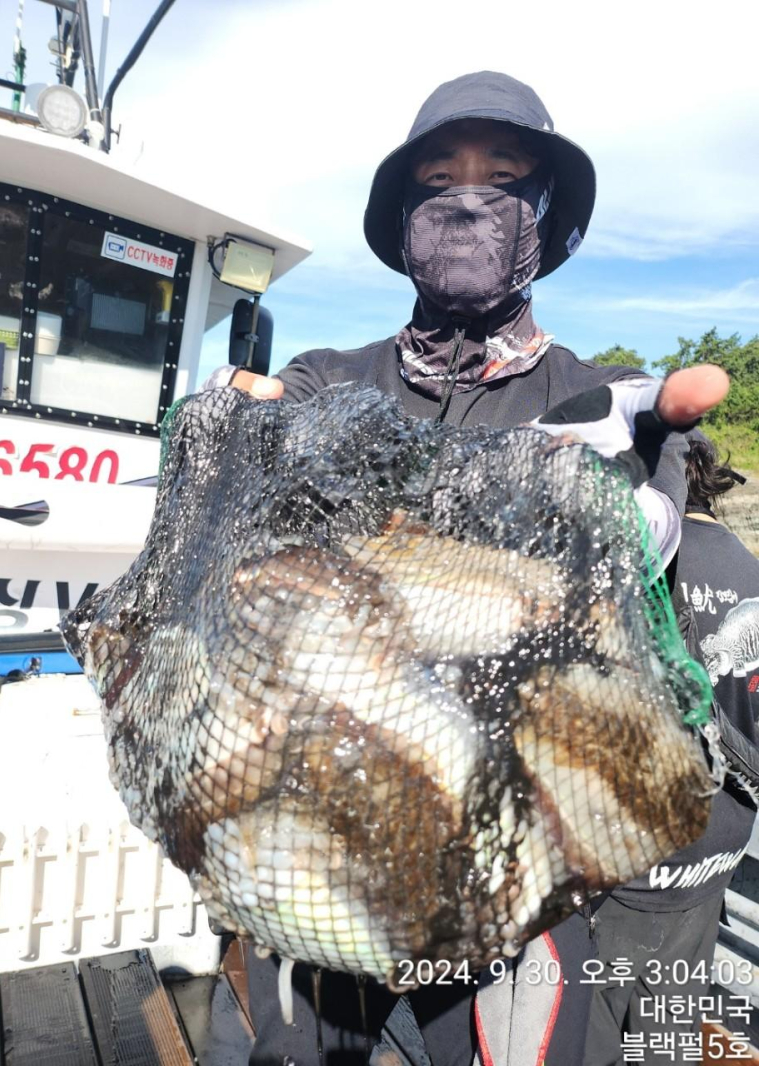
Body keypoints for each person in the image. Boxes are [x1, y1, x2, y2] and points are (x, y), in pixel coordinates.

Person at [206, 72, 729, 1065]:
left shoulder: (599, 400)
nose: (467, 199)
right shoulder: (326, 381)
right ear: (402, 218)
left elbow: (632, 567)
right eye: (438, 179)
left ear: (543, 216)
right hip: (320, 845)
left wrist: (639, 487)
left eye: (501, 178)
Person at [582, 436, 759, 1066]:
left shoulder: (630, 569)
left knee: (588, 1031)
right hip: (716, 853)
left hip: (626, 862)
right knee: (670, 1029)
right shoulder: (751, 568)